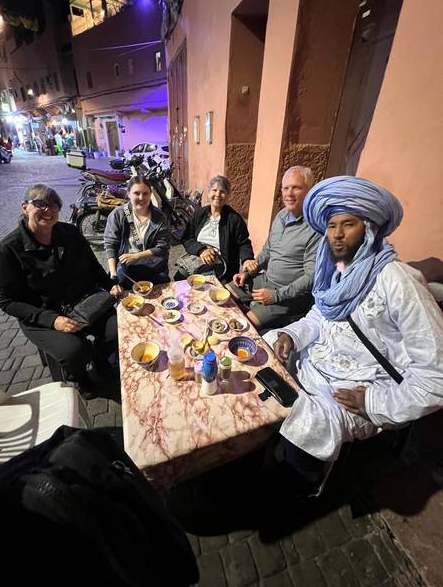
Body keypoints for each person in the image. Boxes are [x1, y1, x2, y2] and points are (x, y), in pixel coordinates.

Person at [265, 175, 443, 497]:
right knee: (262, 353)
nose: (336, 234)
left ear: (369, 228)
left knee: (305, 433)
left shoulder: (398, 281)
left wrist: (374, 402)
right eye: (332, 225)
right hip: (319, 361)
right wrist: (291, 335)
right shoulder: (335, 268)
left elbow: (436, 375)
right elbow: (320, 315)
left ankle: (305, 476)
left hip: (361, 386)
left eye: (348, 224)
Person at [0, 184, 124, 398]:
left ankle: (100, 360)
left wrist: (111, 286)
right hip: (44, 314)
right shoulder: (7, 249)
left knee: (119, 327)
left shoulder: (70, 232)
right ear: (25, 207)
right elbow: (7, 301)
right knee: (74, 350)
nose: (49, 210)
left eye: (54, 206)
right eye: (40, 204)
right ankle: (81, 379)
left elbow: (93, 267)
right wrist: (53, 320)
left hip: (85, 304)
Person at [228, 166, 321, 329]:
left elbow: (311, 277)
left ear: (310, 191)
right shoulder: (281, 215)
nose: (289, 194)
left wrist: (276, 296)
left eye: (296, 188)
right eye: (285, 188)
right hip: (265, 280)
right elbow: (267, 251)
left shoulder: (315, 228)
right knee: (223, 294)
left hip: (288, 297)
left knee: (242, 326)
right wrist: (248, 272)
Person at [174, 175, 254, 283]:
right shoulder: (199, 214)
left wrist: (247, 259)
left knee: (203, 284)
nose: (217, 195)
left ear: (228, 195)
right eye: (214, 190)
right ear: (208, 193)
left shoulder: (234, 219)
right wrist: (201, 250)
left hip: (220, 263)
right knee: (178, 278)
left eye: (222, 191)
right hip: (197, 258)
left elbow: (243, 243)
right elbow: (187, 237)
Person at [104, 175, 170, 285]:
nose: (141, 197)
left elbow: (163, 247)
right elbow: (111, 245)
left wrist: (136, 256)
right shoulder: (118, 215)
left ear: (150, 195)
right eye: (136, 193)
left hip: (153, 264)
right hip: (126, 266)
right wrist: (113, 275)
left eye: (145, 193)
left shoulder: (159, 216)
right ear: (129, 194)